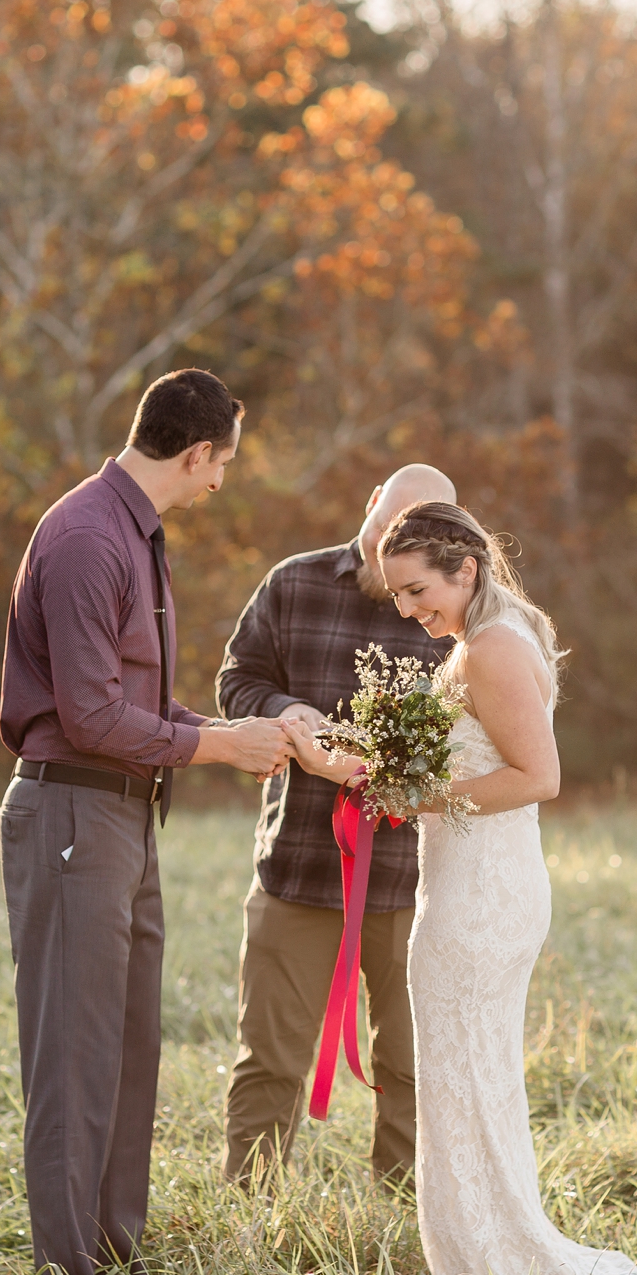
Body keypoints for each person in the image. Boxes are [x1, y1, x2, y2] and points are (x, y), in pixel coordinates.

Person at [282, 501, 637, 1275]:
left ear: (467, 569)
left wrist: (420, 797)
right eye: (402, 598)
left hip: (481, 895)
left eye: (420, 591)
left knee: (462, 1083)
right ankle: (488, 1265)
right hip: (475, 882)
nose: (412, 611)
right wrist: (364, 769)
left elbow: (538, 776)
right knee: (468, 1081)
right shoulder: (489, 637)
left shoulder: (490, 648)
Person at [0, 367, 292, 1275]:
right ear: (197, 452)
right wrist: (220, 747)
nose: (219, 485)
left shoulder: (137, 533)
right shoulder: (88, 536)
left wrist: (257, 738)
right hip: (74, 810)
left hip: (127, 815)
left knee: (129, 1046)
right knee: (75, 1057)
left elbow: (143, 702)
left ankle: (119, 1259)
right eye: (222, 468)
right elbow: (88, 716)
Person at [213, 464, 458, 1187]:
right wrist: (284, 709)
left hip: (415, 879)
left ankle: (407, 1214)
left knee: (411, 1062)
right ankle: (250, 1208)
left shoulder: (452, 614)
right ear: (371, 504)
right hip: (297, 863)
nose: (396, 549)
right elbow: (237, 678)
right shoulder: (294, 583)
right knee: (270, 1056)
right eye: (389, 525)